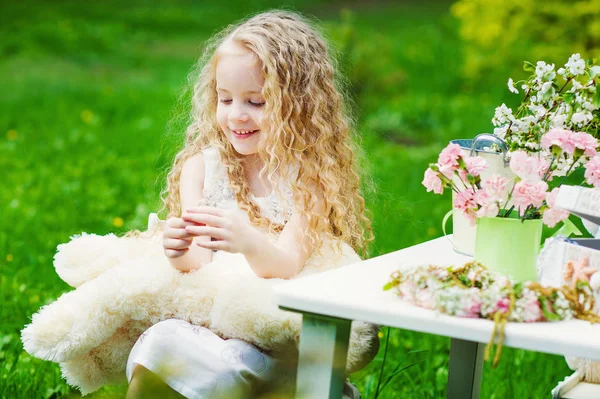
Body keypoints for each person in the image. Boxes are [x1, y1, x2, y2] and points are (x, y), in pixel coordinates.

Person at [125, 10, 374, 399]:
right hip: (210, 322)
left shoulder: (309, 180)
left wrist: (246, 240)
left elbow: (288, 263)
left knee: (234, 363)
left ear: (298, 107)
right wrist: (177, 251)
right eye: (225, 99)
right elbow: (197, 264)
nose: (236, 115)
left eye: (256, 102)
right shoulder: (203, 169)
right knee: (161, 342)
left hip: (268, 332)